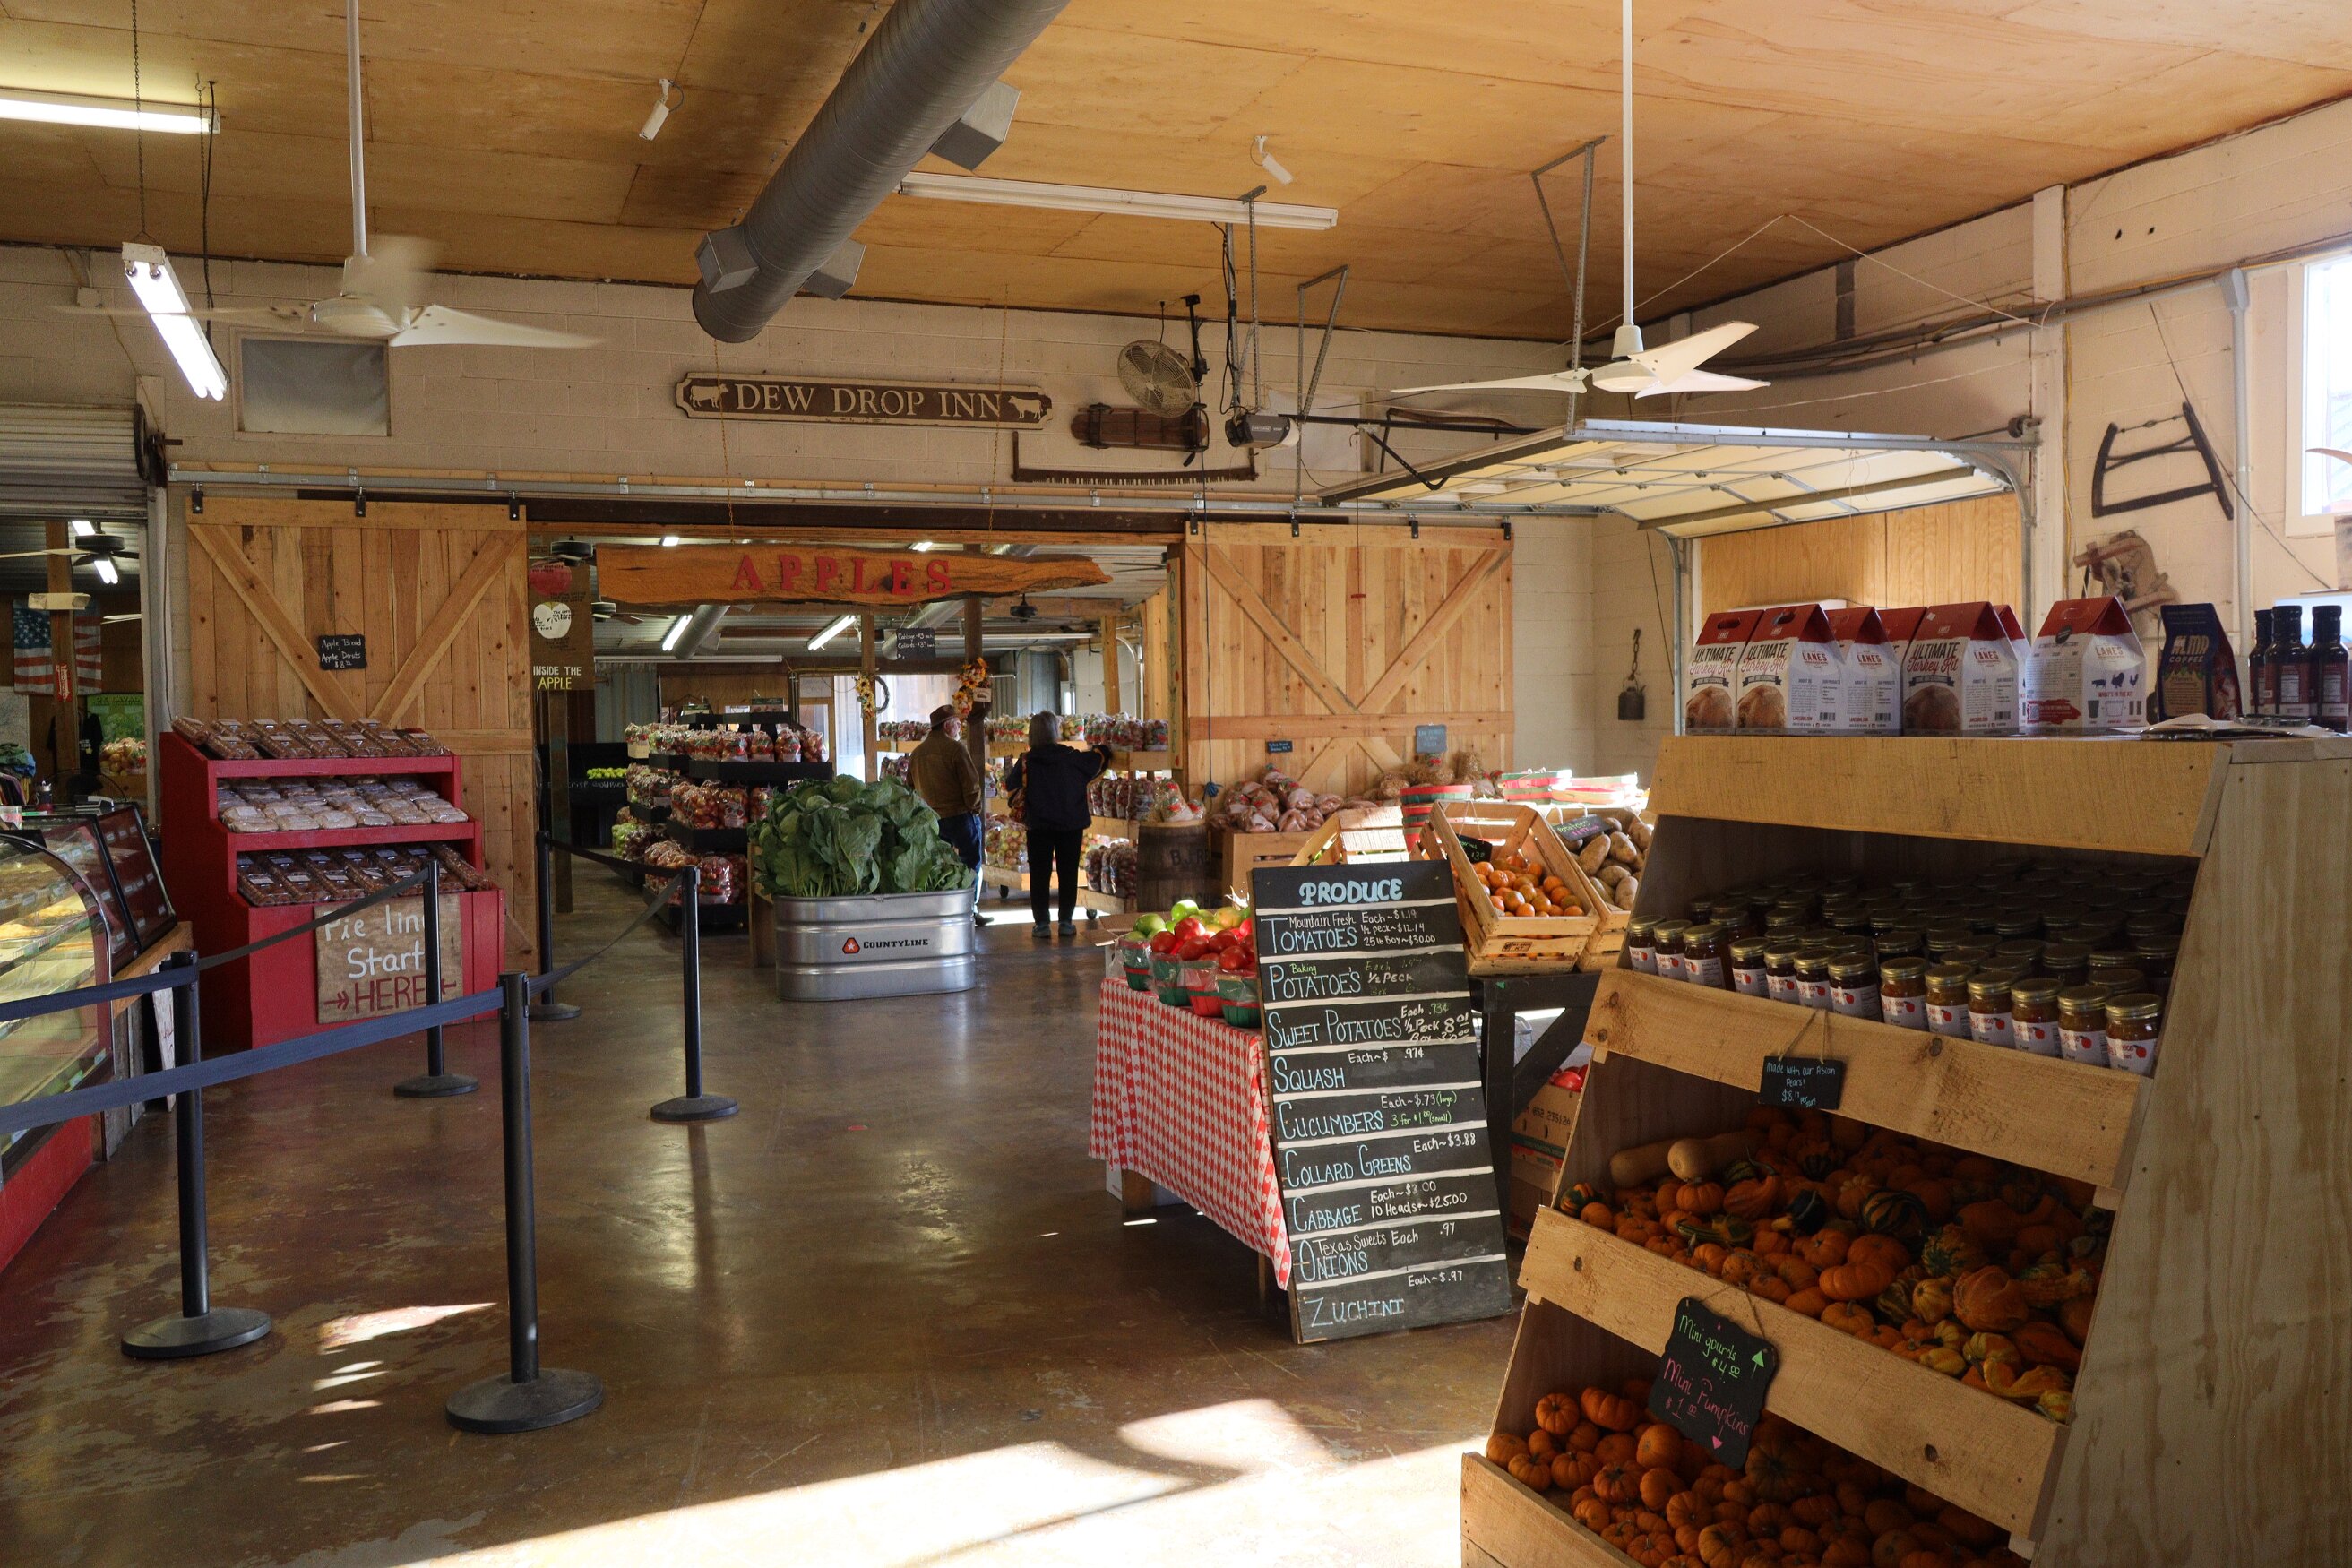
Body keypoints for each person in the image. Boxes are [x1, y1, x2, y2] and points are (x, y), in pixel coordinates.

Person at [1001, 711, 1110, 939]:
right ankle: (1066, 922)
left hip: (1038, 826)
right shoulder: (1071, 756)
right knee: (1068, 873)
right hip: (1070, 825)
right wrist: (1103, 748)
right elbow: (1098, 761)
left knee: (1039, 875)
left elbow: (1010, 786)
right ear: (1055, 731)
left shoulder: (1026, 760)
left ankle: (1041, 924)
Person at [906, 706, 985, 921]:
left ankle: (941, 908)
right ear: (947, 726)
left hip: (931, 820)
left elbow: (909, 786)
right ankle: (969, 909)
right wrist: (975, 809)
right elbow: (971, 785)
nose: (960, 727)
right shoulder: (956, 749)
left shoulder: (917, 753)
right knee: (971, 863)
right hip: (959, 816)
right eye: (957, 723)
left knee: (938, 864)